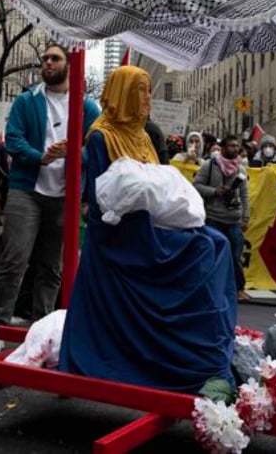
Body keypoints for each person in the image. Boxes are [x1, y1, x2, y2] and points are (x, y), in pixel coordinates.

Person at [59, 66, 236, 392]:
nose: (148, 98)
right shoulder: (101, 136)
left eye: (149, 90)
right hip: (122, 232)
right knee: (202, 248)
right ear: (124, 92)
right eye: (141, 90)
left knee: (219, 242)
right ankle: (186, 349)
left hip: (153, 221)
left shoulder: (143, 134)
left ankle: (205, 338)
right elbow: (99, 202)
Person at [0, 43, 100, 356]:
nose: (47, 62)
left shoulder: (88, 108)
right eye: (45, 58)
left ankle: (43, 332)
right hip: (27, 191)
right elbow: (13, 138)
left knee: (51, 267)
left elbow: (97, 149)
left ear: (69, 66)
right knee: (14, 258)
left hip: (65, 195)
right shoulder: (26, 100)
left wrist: (73, 153)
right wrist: (40, 157)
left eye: (54, 58)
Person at [194, 134, 250, 302]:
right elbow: (195, 186)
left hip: (234, 220)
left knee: (235, 257)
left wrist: (245, 217)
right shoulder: (209, 166)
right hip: (213, 218)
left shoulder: (241, 169)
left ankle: (239, 289)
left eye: (237, 146)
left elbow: (245, 195)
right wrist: (214, 192)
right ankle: (211, 288)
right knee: (213, 254)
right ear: (224, 148)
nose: (235, 149)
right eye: (231, 145)